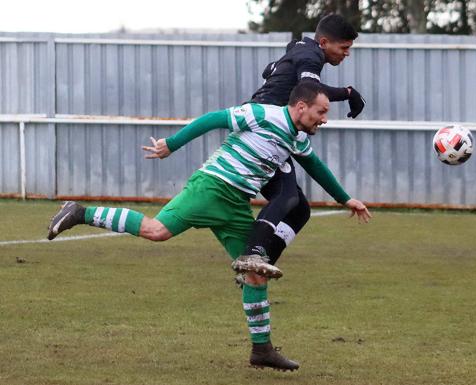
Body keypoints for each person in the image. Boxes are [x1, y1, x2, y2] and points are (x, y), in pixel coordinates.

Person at [47, 82, 371, 371]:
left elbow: (315, 165)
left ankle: (262, 350)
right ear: (301, 106)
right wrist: (170, 144)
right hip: (212, 187)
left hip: (236, 204)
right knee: (156, 231)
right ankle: (80, 212)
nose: (325, 118)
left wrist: (346, 199)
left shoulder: (297, 136)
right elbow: (213, 119)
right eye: (321, 111)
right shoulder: (262, 114)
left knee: (256, 273)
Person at [241, 14, 365, 272]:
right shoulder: (311, 57)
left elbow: (271, 70)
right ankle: (253, 254)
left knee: (299, 211)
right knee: (286, 196)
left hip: (272, 131)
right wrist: (348, 93)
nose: (346, 54)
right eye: (344, 48)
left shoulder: (299, 49)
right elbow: (309, 87)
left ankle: (260, 266)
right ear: (324, 42)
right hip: (267, 134)